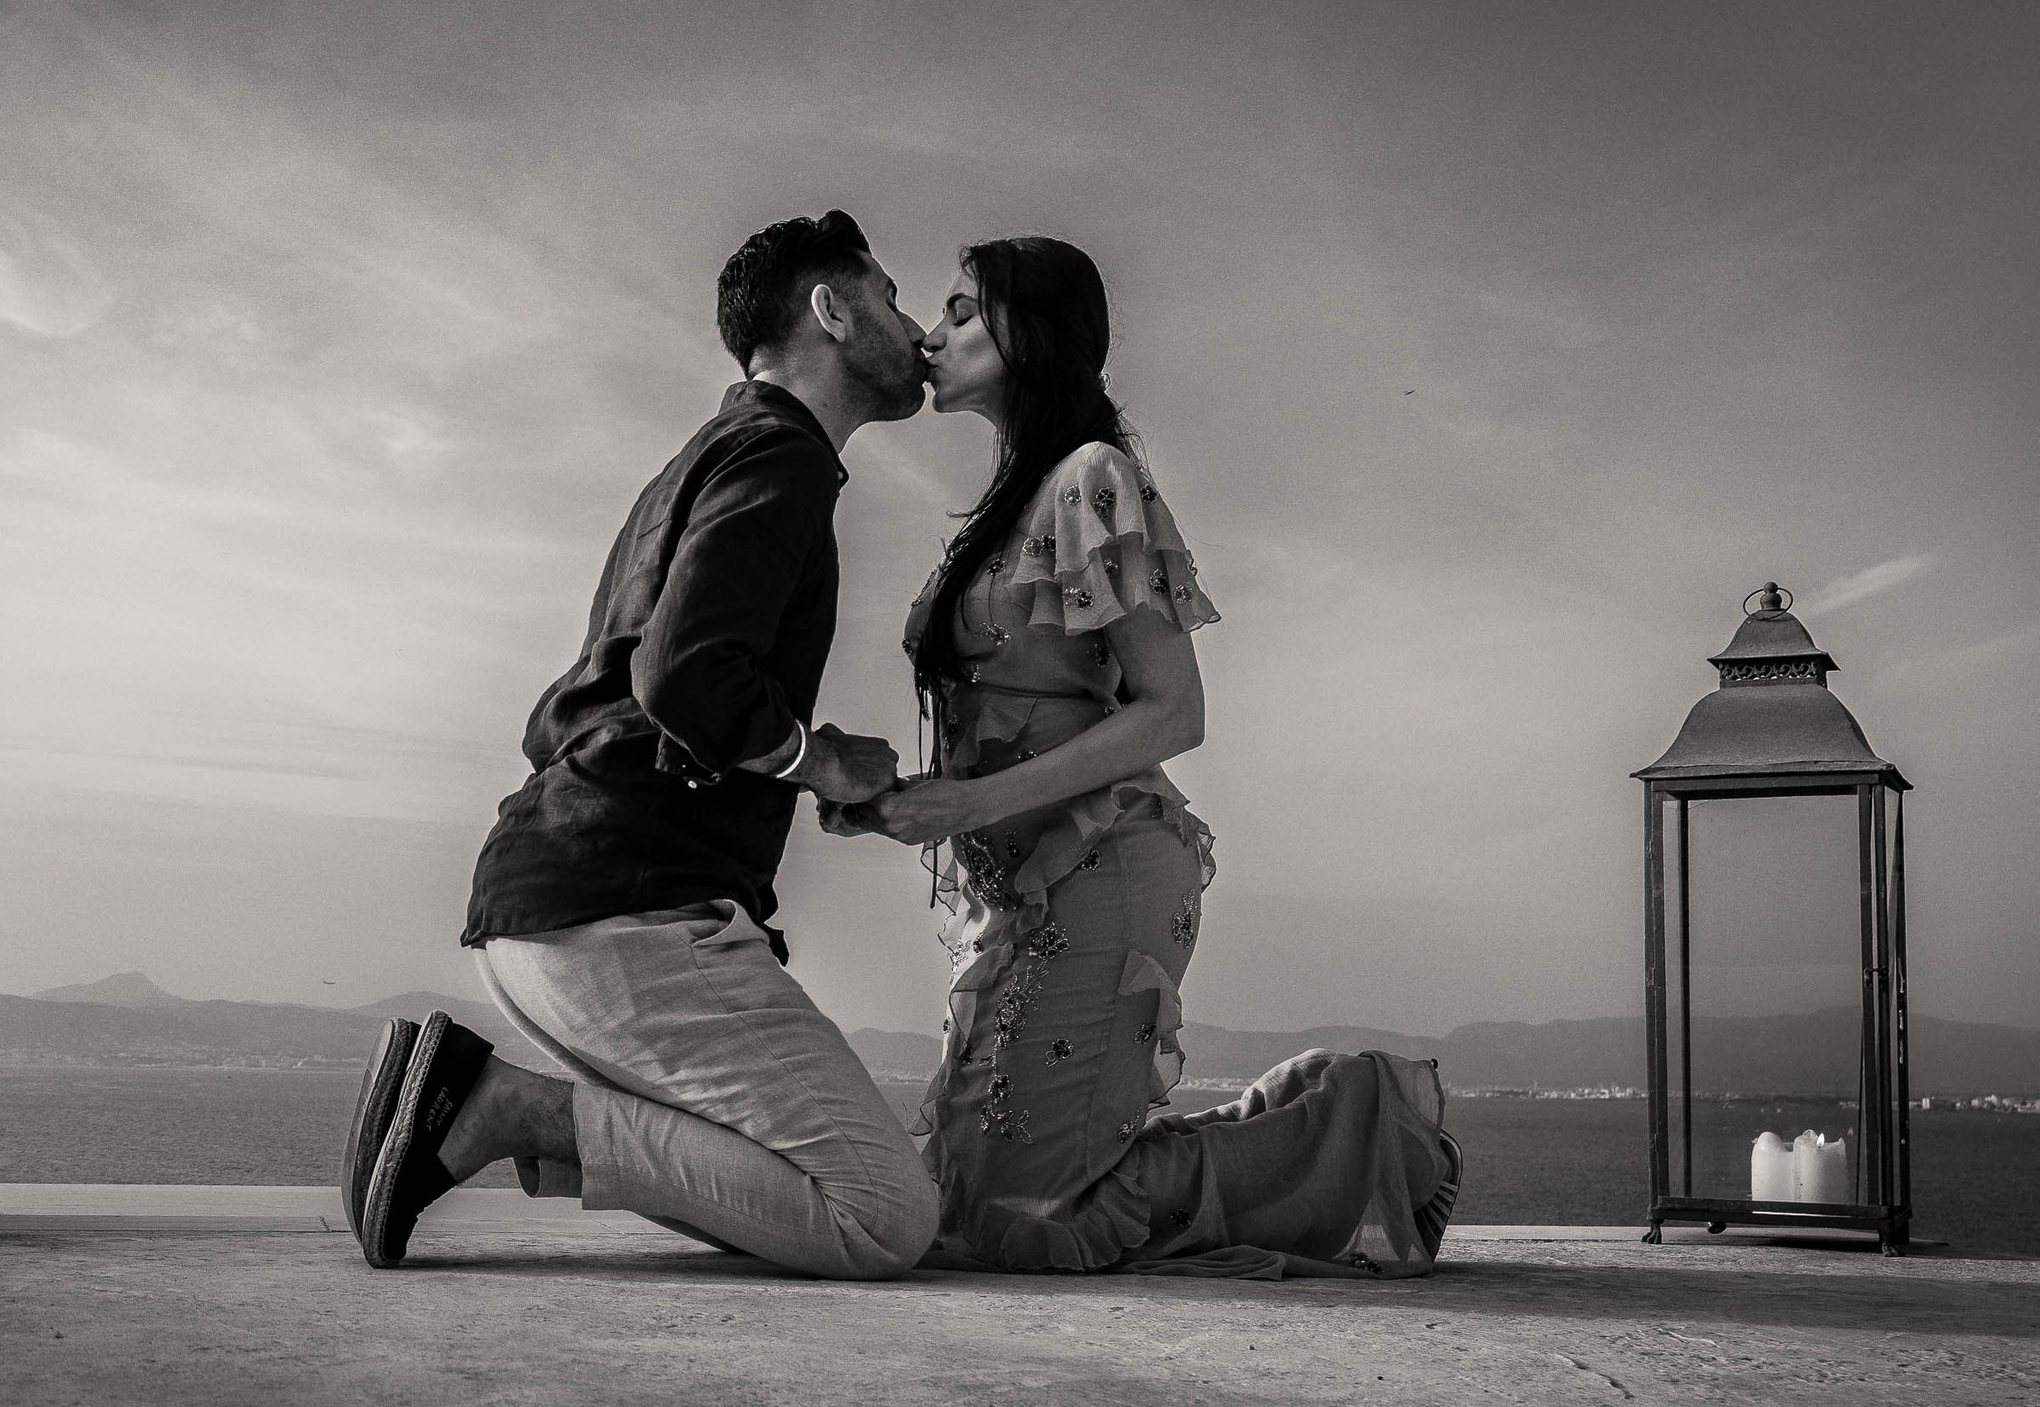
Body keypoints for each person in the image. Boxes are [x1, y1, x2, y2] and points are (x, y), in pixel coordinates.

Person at [834, 235, 1463, 1278]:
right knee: (965, 1208)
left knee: (1025, 1223)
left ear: (1029, 336)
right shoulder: (1002, 510)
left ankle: (1369, 1113)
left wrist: (967, 803)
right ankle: (1316, 1111)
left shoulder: (1091, 478)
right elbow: (1018, 710)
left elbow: (1174, 712)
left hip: (1105, 869)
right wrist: (899, 800)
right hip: (1018, 885)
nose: (928, 336)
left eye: (957, 312)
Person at [347, 211, 943, 1279]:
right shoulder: (780, 452)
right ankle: (501, 1108)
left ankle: (498, 1103)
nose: (916, 330)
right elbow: (680, 679)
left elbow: (644, 685)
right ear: (833, 311)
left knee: (780, 1184)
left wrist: (797, 760)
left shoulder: (703, 457)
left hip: (548, 912)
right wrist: (817, 761)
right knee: (880, 1215)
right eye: (893, 298)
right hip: (626, 918)